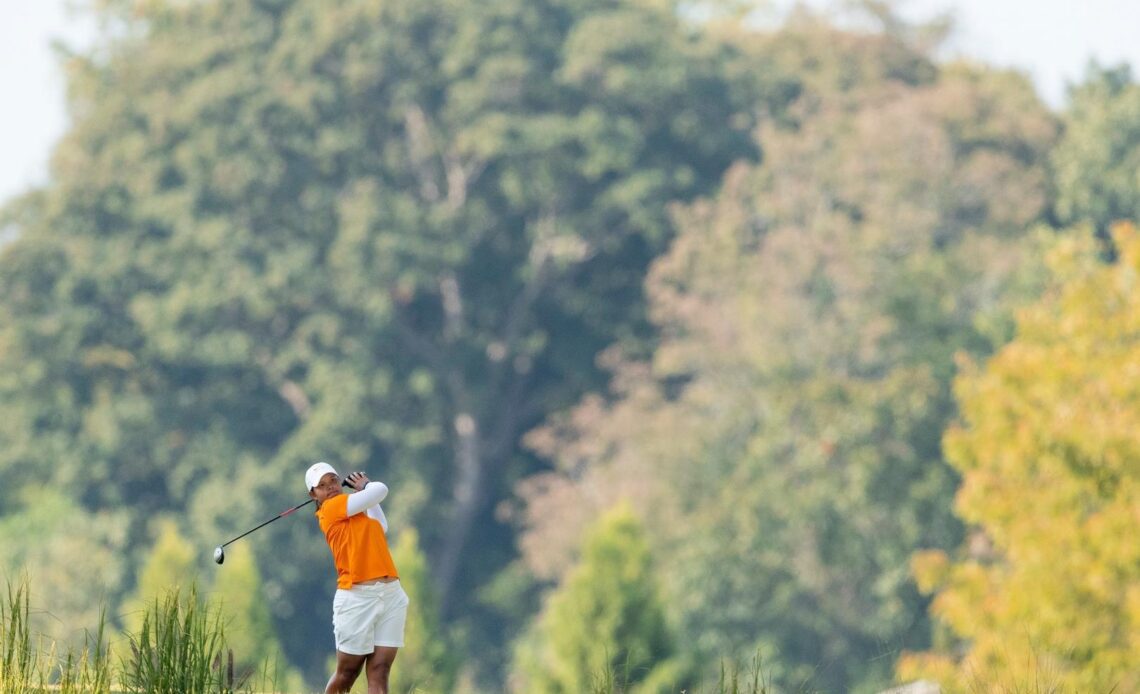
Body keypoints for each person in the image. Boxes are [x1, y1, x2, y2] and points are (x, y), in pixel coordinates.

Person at [305, 461, 409, 694]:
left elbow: (381, 526)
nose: (330, 487)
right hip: (357, 597)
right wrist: (366, 485)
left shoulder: (355, 510)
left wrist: (363, 493)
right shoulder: (331, 509)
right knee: (347, 673)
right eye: (322, 485)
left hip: (391, 594)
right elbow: (381, 490)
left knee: (380, 672)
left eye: (333, 480)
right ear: (314, 495)